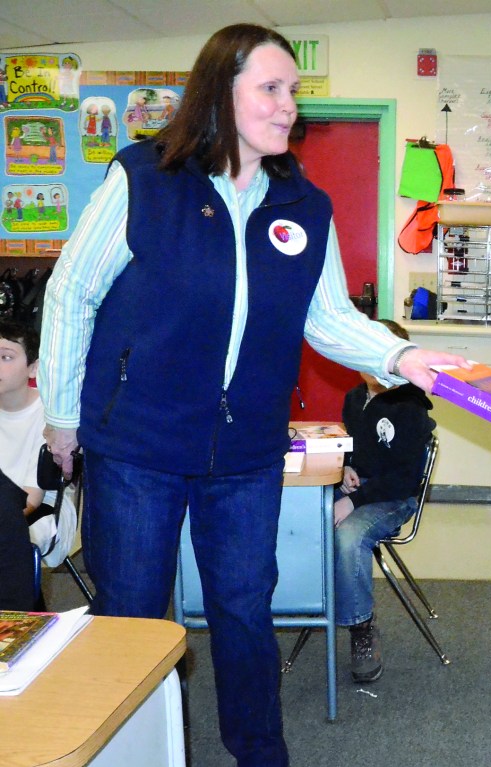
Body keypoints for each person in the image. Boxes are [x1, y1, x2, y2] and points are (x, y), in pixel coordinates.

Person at [38, 24, 466, 767]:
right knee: (131, 613)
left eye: (292, 90)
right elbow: (73, 293)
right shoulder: (145, 179)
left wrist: (403, 356)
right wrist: (63, 414)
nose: (287, 105)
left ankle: (260, 752)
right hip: (137, 443)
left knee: (243, 608)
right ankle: (125, 752)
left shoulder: (304, 205)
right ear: (219, 92)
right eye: (270, 88)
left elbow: (327, 318)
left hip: (245, 451)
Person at [332, 319, 436, 683]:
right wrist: (344, 469)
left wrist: (355, 500)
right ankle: (309, 605)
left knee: (348, 536)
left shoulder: (409, 407)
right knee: (299, 517)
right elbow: (349, 448)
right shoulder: (354, 398)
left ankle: (361, 627)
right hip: (358, 489)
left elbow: (405, 479)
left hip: (393, 497)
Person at [0, 321, 42, 610]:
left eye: (6, 357)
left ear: (33, 368)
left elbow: (32, 499)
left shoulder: (49, 415)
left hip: (37, 511)